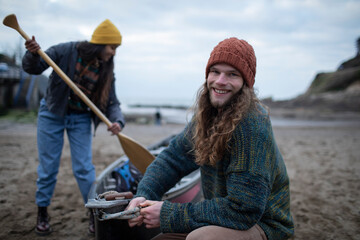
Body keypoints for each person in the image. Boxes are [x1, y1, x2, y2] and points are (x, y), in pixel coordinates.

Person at [127, 37, 294, 240]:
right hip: (224, 218)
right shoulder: (209, 115)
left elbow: (244, 209)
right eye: (215, 71)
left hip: (264, 225)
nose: (220, 81)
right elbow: (172, 159)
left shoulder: (251, 126)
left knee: (200, 238)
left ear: (245, 83)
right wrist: (144, 194)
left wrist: (167, 213)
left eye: (232, 74)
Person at [22, 19, 126, 236]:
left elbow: (112, 102)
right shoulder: (65, 50)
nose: (114, 53)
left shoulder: (106, 69)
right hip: (52, 113)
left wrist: (118, 121)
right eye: (112, 47)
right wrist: (32, 53)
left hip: (80, 118)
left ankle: (93, 214)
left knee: (84, 169)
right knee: (48, 167)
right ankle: (42, 212)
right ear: (100, 43)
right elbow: (34, 67)